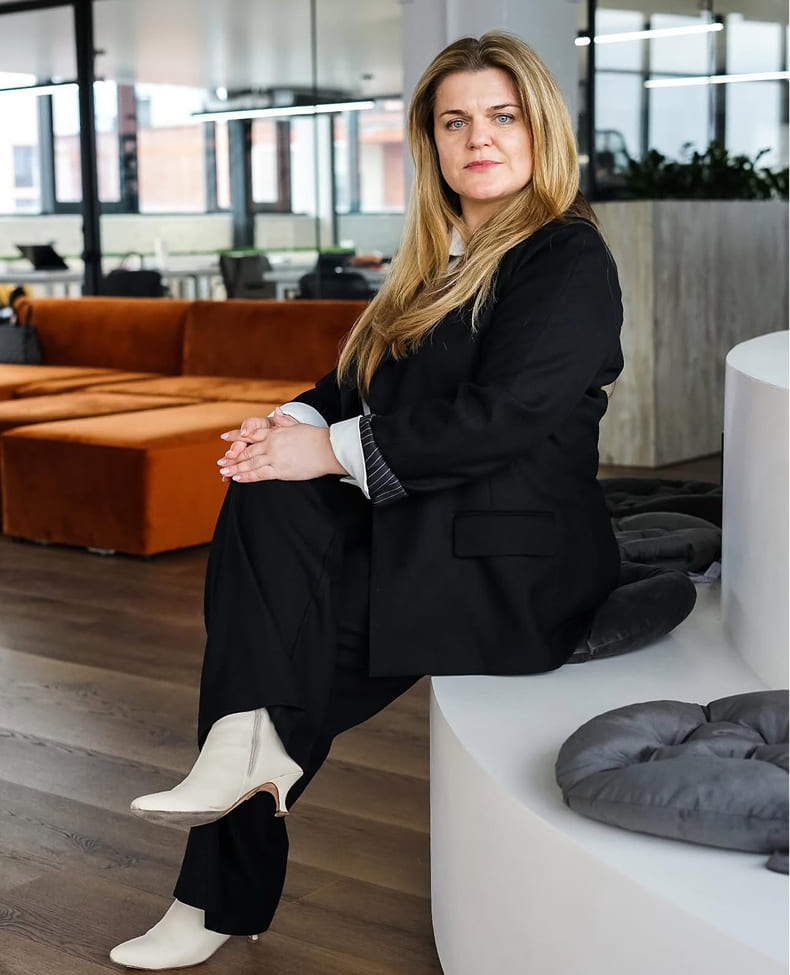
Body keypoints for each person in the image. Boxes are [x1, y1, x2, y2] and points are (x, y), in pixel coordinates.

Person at [109, 29, 623, 970]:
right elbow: (350, 381)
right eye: (455, 120)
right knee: (268, 551)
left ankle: (216, 882)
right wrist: (282, 423)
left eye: (502, 116)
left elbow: (501, 418)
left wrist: (327, 450)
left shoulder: (564, 257)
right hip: (432, 532)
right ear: (430, 141)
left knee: (274, 676)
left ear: (539, 128)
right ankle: (239, 763)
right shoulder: (435, 259)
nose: (480, 138)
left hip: (513, 563)